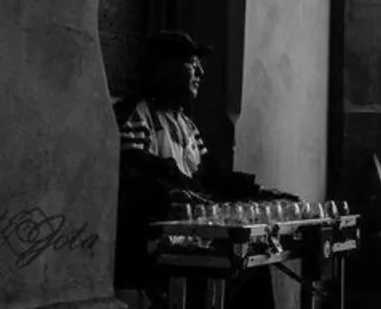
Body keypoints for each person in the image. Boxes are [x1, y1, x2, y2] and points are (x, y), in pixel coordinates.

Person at [114, 31, 275, 307]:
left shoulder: (186, 123)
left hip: (192, 241)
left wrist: (256, 191)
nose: (201, 72)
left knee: (254, 265)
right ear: (164, 69)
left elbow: (208, 177)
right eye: (192, 63)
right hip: (154, 249)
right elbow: (132, 180)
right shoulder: (134, 115)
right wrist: (172, 194)